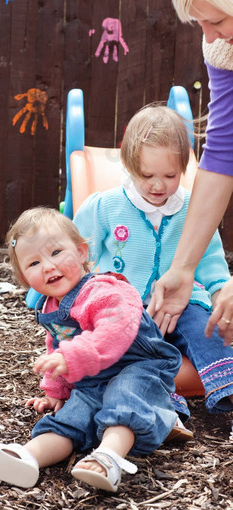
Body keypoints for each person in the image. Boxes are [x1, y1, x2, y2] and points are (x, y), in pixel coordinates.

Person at [0, 207, 182, 492]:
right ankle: (27, 457)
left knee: (125, 399)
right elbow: (58, 345)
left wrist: (74, 356)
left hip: (140, 368)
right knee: (70, 418)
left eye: (55, 253)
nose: (48, 267)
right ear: (25, 278)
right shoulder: (50, 306)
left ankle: (109, 457)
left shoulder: (105, 290)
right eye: (34, 263)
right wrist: (56, 390)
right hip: (93, 381)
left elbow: (115, 329)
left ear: (81, 252)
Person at [73, 104, 233, 428]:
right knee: (135, 348)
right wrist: (59, 293)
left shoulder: (193, 208)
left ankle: (226, 387)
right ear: (130, 165)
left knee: (207, 330)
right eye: (147, 175)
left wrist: (218, 293)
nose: (158, 185)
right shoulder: (106, 206)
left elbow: (210, 257)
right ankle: (166, 406)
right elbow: (75, 250)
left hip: (183, 302)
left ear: (183, 170)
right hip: (126, 307)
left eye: (170, 176)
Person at [148, 0, 233, 345]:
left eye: (217, 20)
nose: (210, 37)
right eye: (200, 24)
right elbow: (223, 153)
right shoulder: (223, 48)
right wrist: (182, 267)